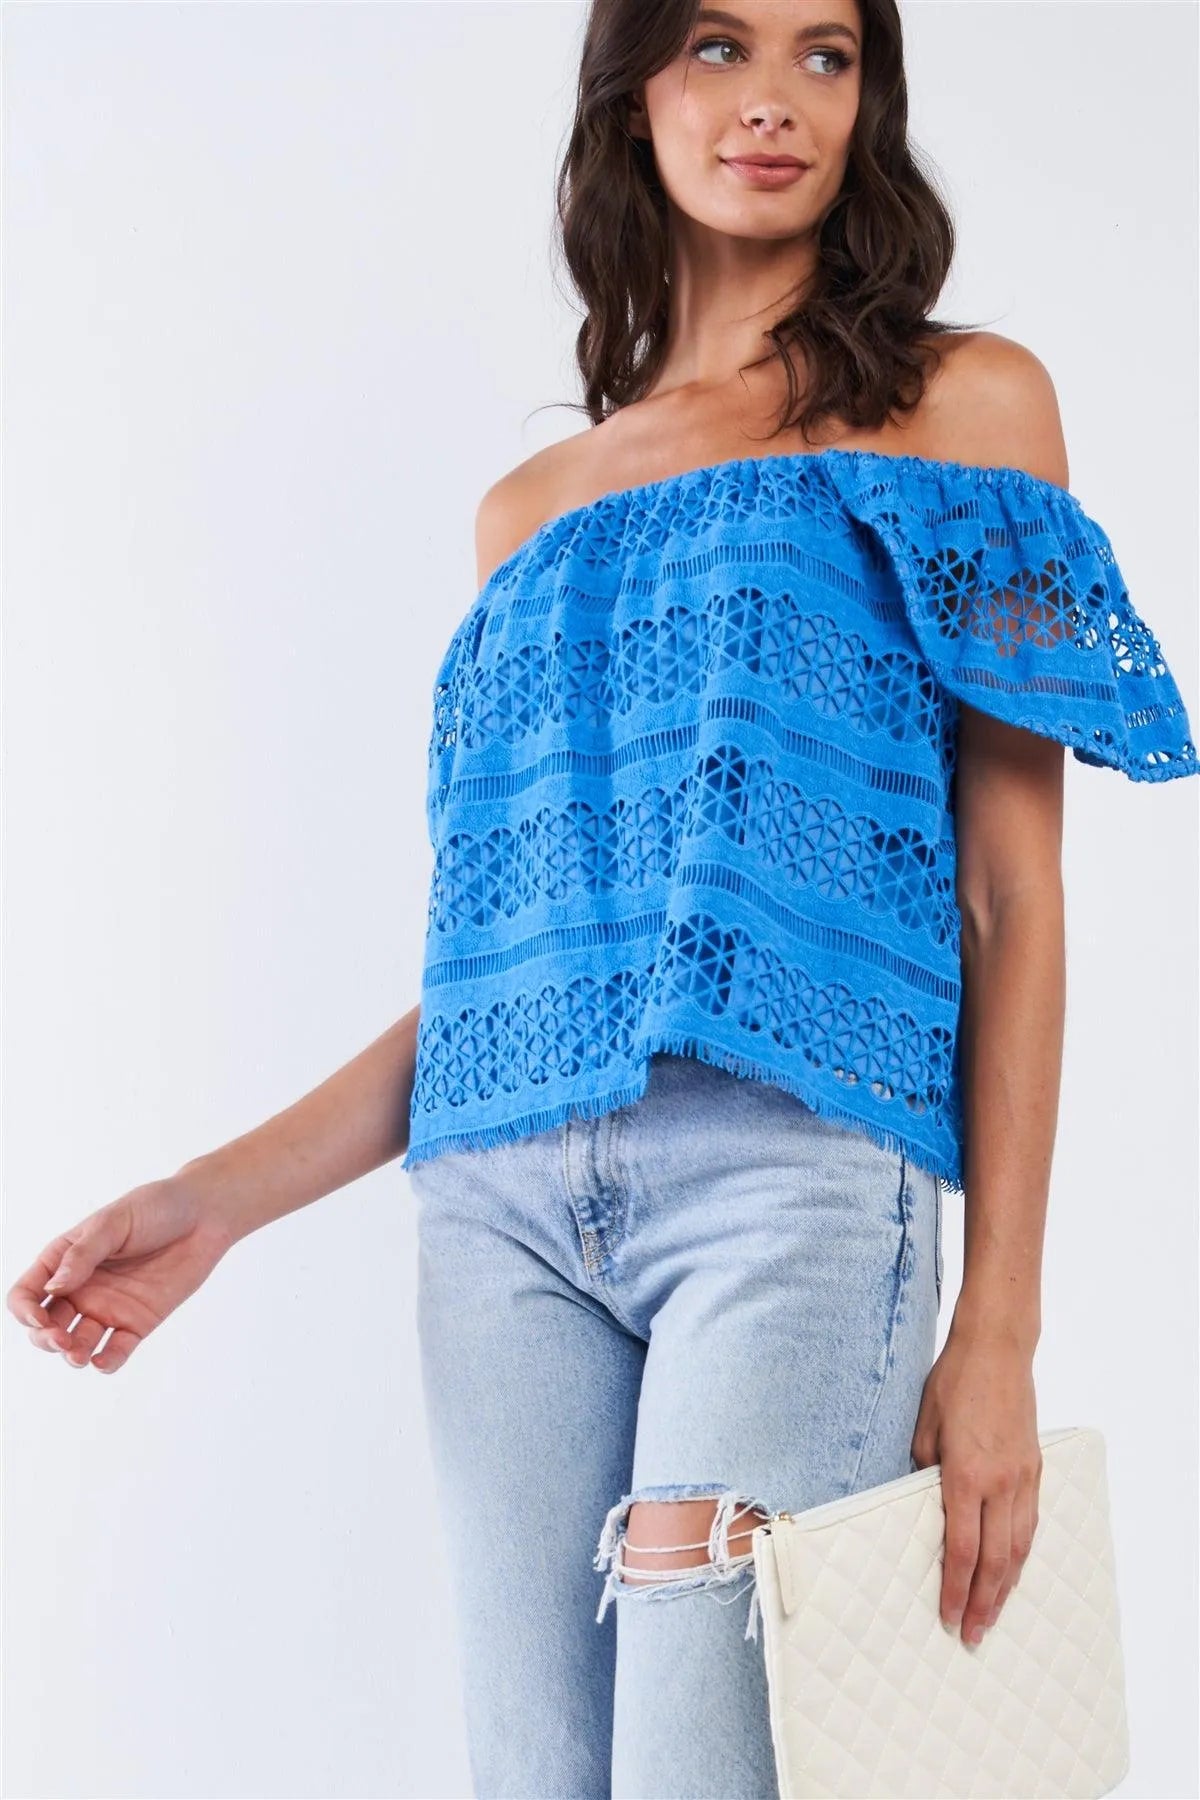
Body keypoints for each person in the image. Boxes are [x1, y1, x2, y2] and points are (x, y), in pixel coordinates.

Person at [8, 2, 1198, 1796]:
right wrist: (216, 1199)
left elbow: (1011, 895)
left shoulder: (961, 406)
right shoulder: (528, 510)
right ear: (633, 94)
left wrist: (1001, 1328)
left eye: (826, 56)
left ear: (870, 102)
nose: (773, 102)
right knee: (536, 1775)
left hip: (791, 1185)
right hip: (497, 1221)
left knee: (702, 1771)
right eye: (719, 47)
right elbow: (519, 979)